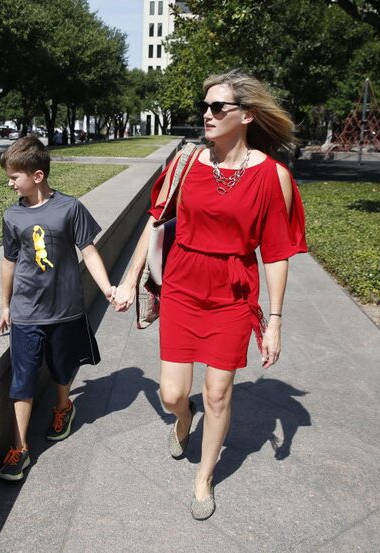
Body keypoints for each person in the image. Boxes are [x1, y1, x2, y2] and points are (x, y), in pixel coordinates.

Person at [113, 70, 307, 519]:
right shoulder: (186, 164)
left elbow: (276, 253)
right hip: (182, 287)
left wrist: (274, 321)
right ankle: (184, 420)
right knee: (171, 394)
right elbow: (155, 221)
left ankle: (204, 476)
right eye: (206, 106)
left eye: (218, 107)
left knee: (218, 393)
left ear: (247, 115)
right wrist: (129, 277)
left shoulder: (273, 176)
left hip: (233, 293)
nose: (207, 114)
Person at [0, 136, 115, 481]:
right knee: (22, 379)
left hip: (64, 308)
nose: (9, 183)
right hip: (26, 312)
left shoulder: (69, 208)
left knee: (63, 369)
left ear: (36, 176)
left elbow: (88, 251)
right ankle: (19, 448)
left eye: (14, 177)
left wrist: (107, 287)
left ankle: (64, 407)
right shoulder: (12, 215)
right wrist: (5, 305)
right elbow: (9, 262)